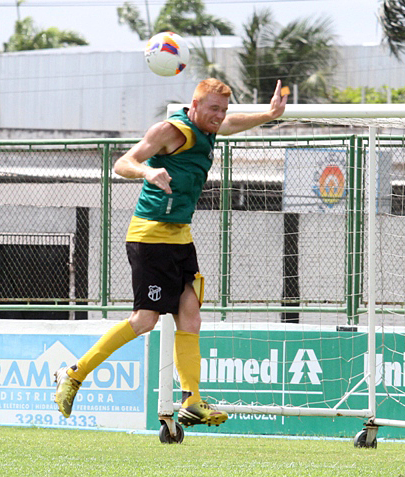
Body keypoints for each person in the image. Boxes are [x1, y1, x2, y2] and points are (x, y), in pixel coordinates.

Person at [55, 78, 287, 426]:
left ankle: (192, 401)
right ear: (194, 106)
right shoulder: (170, 131)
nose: (219, 116)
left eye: (223, 110)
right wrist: (148, 171)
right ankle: (74, 374)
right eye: (213, 109)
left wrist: (268, 114)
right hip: (150, 235)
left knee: (191, 316)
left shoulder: (210, 127)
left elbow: (231, 124)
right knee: (145, 320)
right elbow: (123, 163)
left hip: (180, 236)